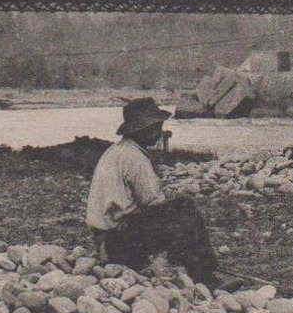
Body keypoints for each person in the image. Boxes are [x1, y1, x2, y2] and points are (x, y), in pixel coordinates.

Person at [86, 97, 219, 285]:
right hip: (118, 244)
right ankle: (206, 276)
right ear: (143, 130)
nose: (160, 132)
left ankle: (185, 263)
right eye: (157, 127)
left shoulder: (116, 151)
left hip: (105, 240)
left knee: (175, 212)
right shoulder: (135, 159)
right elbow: (153, 202)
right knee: (184, 207)